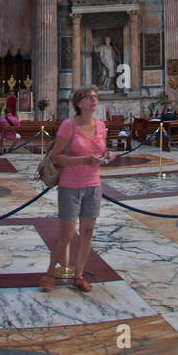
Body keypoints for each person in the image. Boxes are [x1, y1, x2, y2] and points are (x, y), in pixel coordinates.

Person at [40, 85, 107, 294]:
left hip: (93, 184)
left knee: (87, 232)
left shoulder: (101, 125)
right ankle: (50, 272)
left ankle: (79, 275)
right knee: (66, 235)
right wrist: (83, 159)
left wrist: (107, 156)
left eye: (95, 97)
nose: (94, 100)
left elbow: (102, 150)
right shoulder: (68, 126)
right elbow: (56, 157)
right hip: (70, 186)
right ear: (79, 103)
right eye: (89, 97)